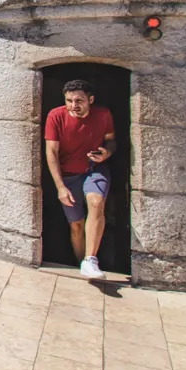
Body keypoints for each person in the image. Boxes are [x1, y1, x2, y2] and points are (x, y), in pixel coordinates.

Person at [45, 79, 116, 280]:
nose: (74, 106)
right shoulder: (56, 116)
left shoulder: (103, 115)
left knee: (96, 202)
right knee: (76, 225)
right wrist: (60, 187)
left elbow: (111, 140)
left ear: (90, 100)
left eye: (79, 100)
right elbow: (51, 151)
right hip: (68, 176)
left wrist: (107, 153)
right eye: (69, 100)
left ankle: (90, 259)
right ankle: (81, 263)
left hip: (94, 169)